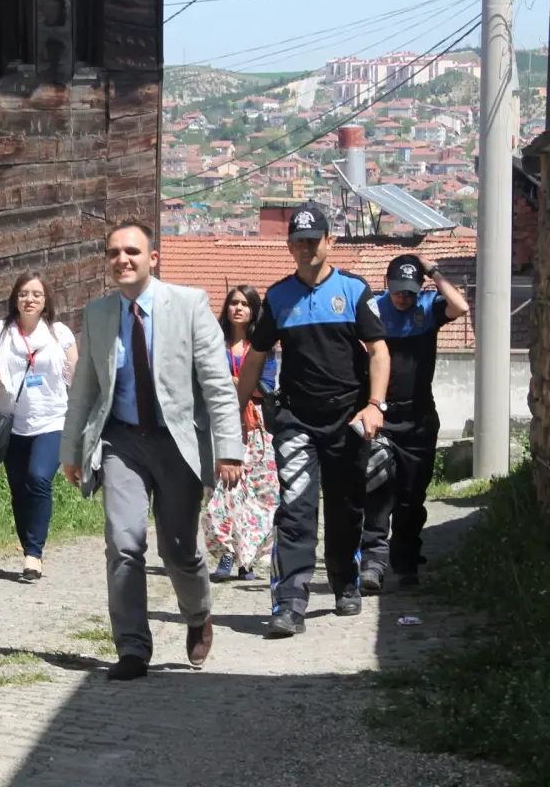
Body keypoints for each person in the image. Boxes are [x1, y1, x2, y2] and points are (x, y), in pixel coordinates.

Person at [61, 220, 244, 679]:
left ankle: (199, 613)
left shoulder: (187, 304)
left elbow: (218, 385)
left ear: (152, 258)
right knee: (124, 542)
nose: (122, 259)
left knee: (179, 549)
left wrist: (229, 448)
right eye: (113, 253)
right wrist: (70, 450)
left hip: (178, 442)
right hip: (122, 441)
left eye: (132, 252)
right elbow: (84, 390)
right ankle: (132, 648)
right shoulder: (98, 314)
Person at [235, 202, 390, 639]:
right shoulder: (279, 297)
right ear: (290, 247)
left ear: (329, 242)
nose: (305, 248)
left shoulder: (355, 291)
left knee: (344, 507)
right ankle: (289, 603)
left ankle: (345, 581)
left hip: (348, 420)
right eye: (298, 242)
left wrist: (375, 405)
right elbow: (256, 358)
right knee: (297, 511)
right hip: (297, 420)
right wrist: (235, 409)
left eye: (313, 240)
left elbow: (378, 350)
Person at [359, 254, 469, 592]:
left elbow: (461, 307)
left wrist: (432, 271)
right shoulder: (373, 309)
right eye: (397, 291)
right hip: (381, 416)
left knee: (410, 496)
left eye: (409, 291)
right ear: (388, 286)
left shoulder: (428, 308)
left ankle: (406, 563)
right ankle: (372, 565)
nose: (403, 298)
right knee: (377, 491)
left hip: (419, 418)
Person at [0, 272, 79, 583]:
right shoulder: (2, 331)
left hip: (52, 419)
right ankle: (29, 547)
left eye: (37, 294)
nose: (30, 299)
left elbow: (76, 376)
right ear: (15, 298)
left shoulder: (59, 333)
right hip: (13, 421)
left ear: (46, 301)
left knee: (39, 478)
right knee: (19, 489)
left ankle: (34, 554)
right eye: (24, 293)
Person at [205, 286, 280, 582]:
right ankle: (226, 552)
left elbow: (266, 387)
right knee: (221, 492)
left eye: (244, 304)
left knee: (260, 494)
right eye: (233, 303)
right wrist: (237, 384)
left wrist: (239, 382)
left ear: (253, 311)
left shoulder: (263, 349)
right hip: (221, 424)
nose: (237, 308)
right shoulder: (213, 345)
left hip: (256, 427)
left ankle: (248, 558)